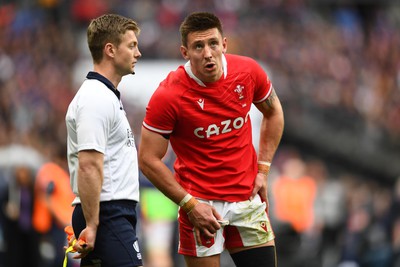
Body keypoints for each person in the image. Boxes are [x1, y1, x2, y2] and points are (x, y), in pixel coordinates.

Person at [139, 11, 284, 267]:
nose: (207, 53)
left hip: (246, 198)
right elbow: (148, 159)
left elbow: (274, 113)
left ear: (224, 44)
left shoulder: (247, 72)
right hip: (200, 206)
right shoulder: (168, 95)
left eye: (213, 44)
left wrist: (263, 169)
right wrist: (190, 205)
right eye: (198, 46)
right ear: (185, 52)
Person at [65, 13, 143, 267]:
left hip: (110, 212)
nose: (138, 53)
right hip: (107, 213)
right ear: (110, 50)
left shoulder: (106, 95)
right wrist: (92, 224)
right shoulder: (95, 97)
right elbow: (88, 164)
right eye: (131, 45)